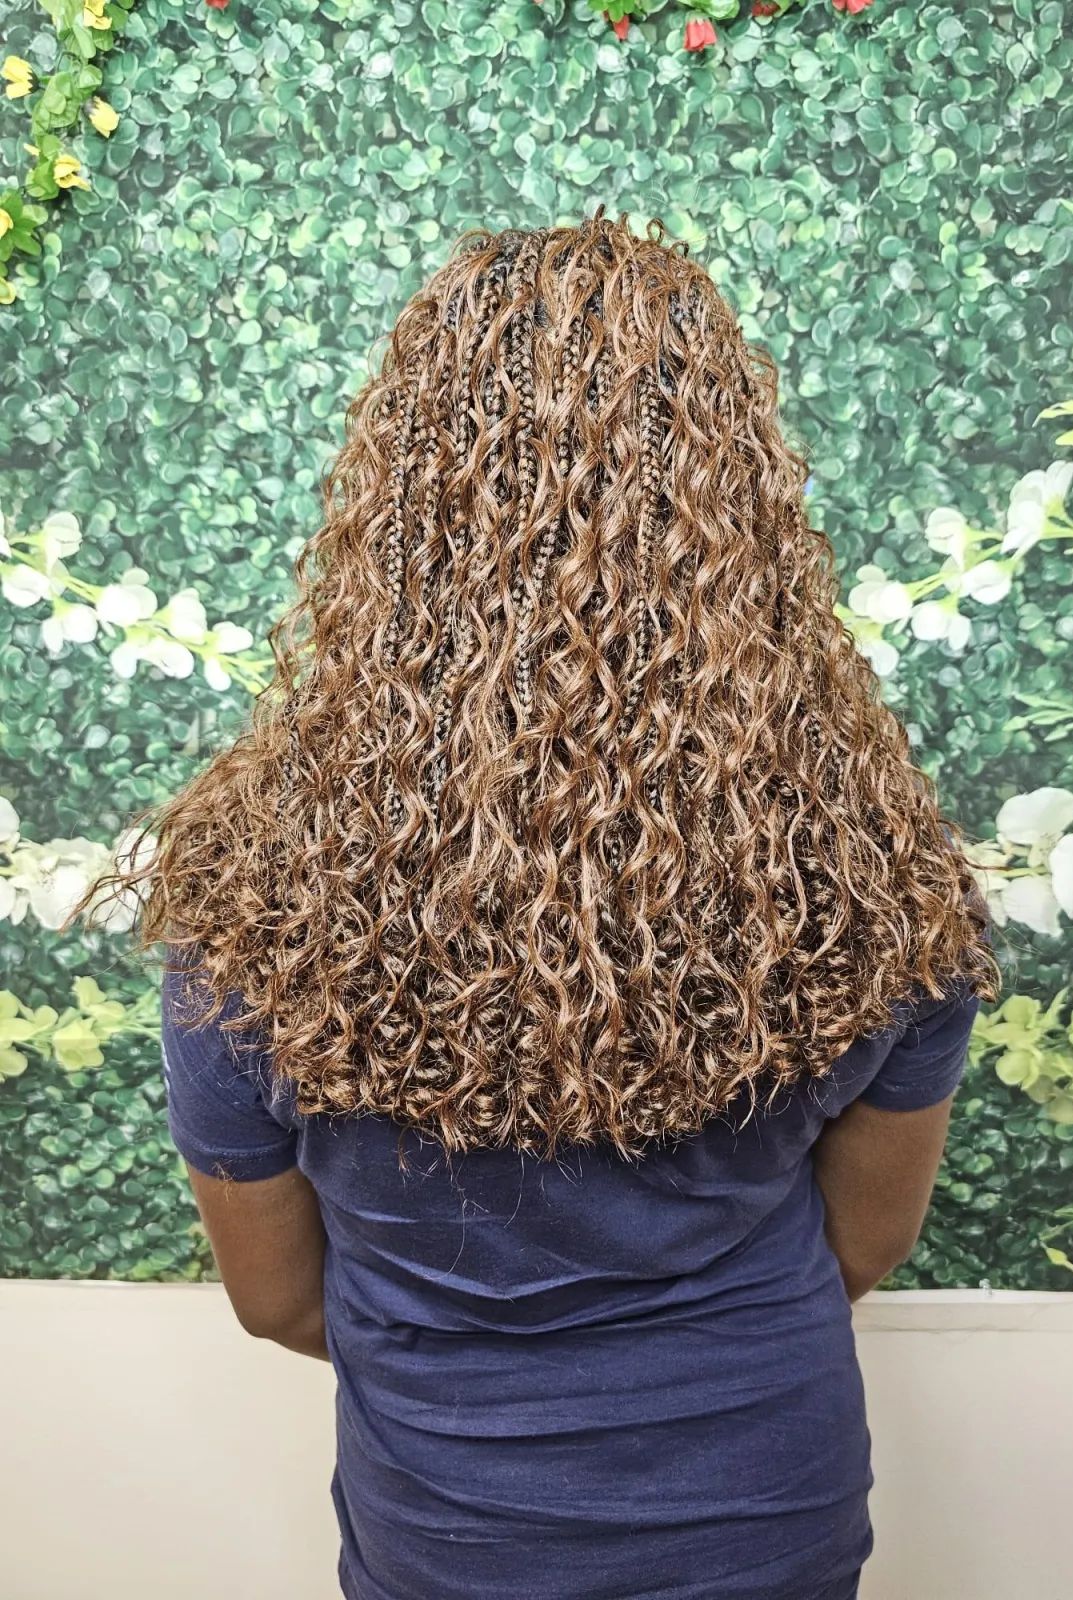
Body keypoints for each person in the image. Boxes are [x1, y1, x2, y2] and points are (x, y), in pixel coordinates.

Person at [82, 209, 1001, 1600]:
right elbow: (863, 1241)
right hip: (768, 1511)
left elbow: (275, 1299)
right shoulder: (868, 863)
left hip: (449, 1528)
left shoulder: (255, 889)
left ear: (402, 507)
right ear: (735, 500)